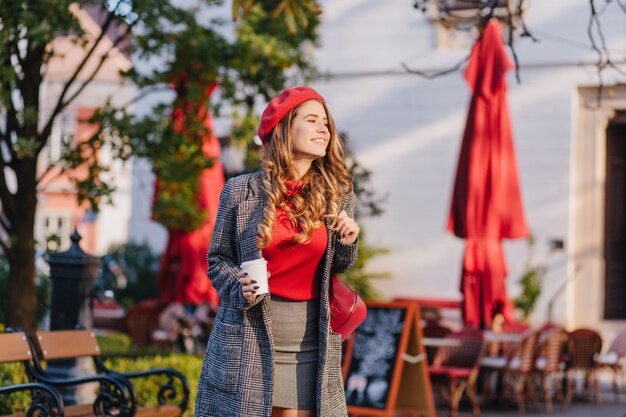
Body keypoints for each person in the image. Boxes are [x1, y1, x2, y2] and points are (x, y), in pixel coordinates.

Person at [195, 86, 360, 417]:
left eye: (325, 123)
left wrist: (347, 240)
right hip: (250, 332)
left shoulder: (337, 194)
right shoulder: (241, 191)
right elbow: (216, 259)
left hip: (311, 335)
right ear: (284, 129)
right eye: (311, 120)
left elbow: (339, 266)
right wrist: (236, 282)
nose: (322, 129)